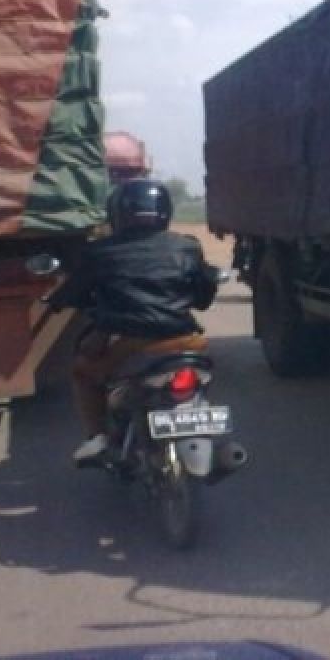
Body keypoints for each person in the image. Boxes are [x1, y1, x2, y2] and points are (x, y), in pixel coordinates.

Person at [48, 179, 219, 463]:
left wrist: (57, 300)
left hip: (128, 341)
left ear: (117, 214)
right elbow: (203, 297)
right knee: (199, 380)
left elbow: (73, 293)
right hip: (185, 339)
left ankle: (98, 438)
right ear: (164, 212)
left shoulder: (99, 251)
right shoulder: (187, 247)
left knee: (84, 371)